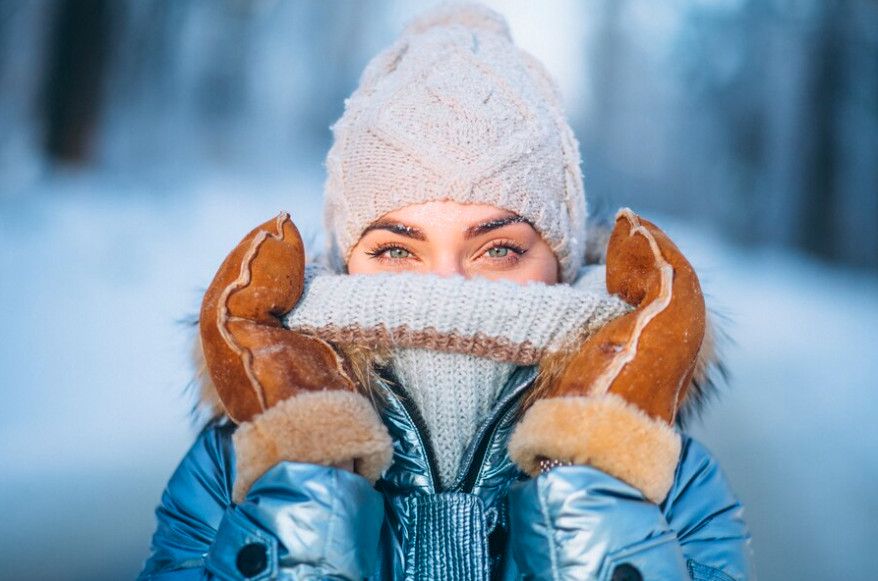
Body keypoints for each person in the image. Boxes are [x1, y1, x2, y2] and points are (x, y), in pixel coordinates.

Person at [138, 3, 753, 580]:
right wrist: (304, 475)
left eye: (499, 249)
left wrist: (594, 479)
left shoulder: (667, 480)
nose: (445, 289)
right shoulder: (238, 466)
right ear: (344, 259)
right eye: (398, 250)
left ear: (561, 264)